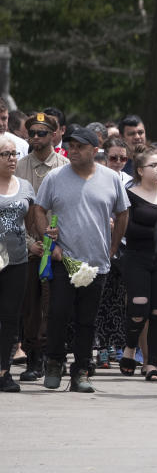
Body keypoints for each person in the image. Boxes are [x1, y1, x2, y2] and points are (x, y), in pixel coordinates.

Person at [32, 126, 130, 393]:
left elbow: (123, 214)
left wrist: (111, 248)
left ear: (94, 150)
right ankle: (53, 363)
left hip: (97, 262)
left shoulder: (111, 179)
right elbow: (39, 209)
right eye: (71, 145)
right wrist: (48, 242)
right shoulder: (55, 177)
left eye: (80, 147)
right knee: (58, 314)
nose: (73, 150)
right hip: (63, 258)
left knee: (88, 320)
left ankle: (82, 371)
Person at [14, 112, 68, 382]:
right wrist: (28, 244)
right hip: (27, 246)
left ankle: (52, 356)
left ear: (54, 135)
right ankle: (33, 358)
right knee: (30, 306)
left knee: (55, 304)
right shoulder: (18, 165)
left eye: (42, 133)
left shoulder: (65, 166)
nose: (35, 138)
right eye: (31, 133)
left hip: (57, 246)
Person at [119, 146, 157, 381]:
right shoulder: (129, 193)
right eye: (154, 165)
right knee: (139, 307)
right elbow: (128, 228)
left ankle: (151, 363)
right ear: (140, 170)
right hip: (136, 257)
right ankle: (130, 346)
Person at [0, 134, 36, 392]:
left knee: (11, 318)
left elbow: (32, 223)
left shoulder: (25, 186)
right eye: (5, 154)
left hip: (18, 261)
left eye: (14, 154)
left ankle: (3, 371)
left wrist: (42, 240)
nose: (12, 159)